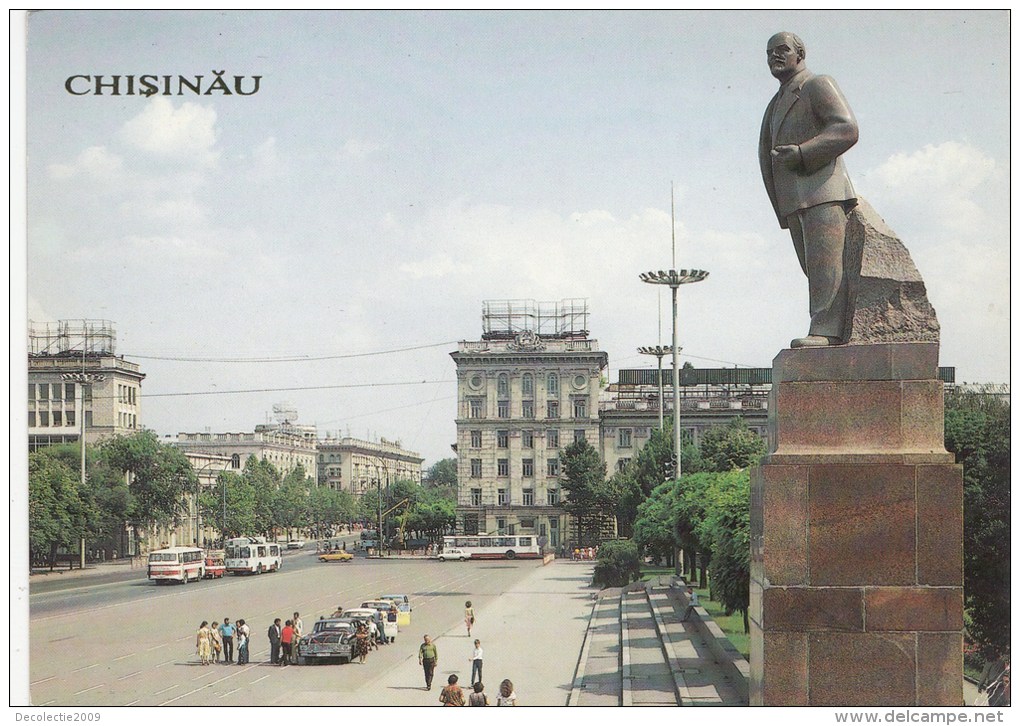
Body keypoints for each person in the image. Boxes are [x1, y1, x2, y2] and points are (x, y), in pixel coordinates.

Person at [759, 31, 859, 348]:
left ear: (800, 54)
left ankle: (827, 331)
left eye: (782, 49)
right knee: (814, 270)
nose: (775, 55)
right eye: (769, 52)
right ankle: (829, 327)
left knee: (827, 268)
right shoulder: (776, 102)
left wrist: (802, 153)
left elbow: (846, 129)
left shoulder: (817, 84)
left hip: (823, 192)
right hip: (794, 200)